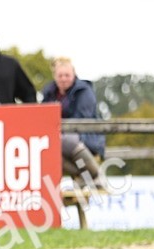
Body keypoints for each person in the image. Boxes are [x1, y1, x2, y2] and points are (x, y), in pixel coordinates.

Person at [41, 57, 106, 188]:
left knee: (64, 140)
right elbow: (43, 116)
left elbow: (82, 120)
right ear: (55, 76)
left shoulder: (84, 91)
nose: (63, 79)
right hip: (59, 139)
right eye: (60, 75)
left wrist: (58, 128)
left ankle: (96, 174)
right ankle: (89, 177)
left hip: (86, 137)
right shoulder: (49, 93)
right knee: (46, 149)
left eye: (67, 75)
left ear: (73, 74)